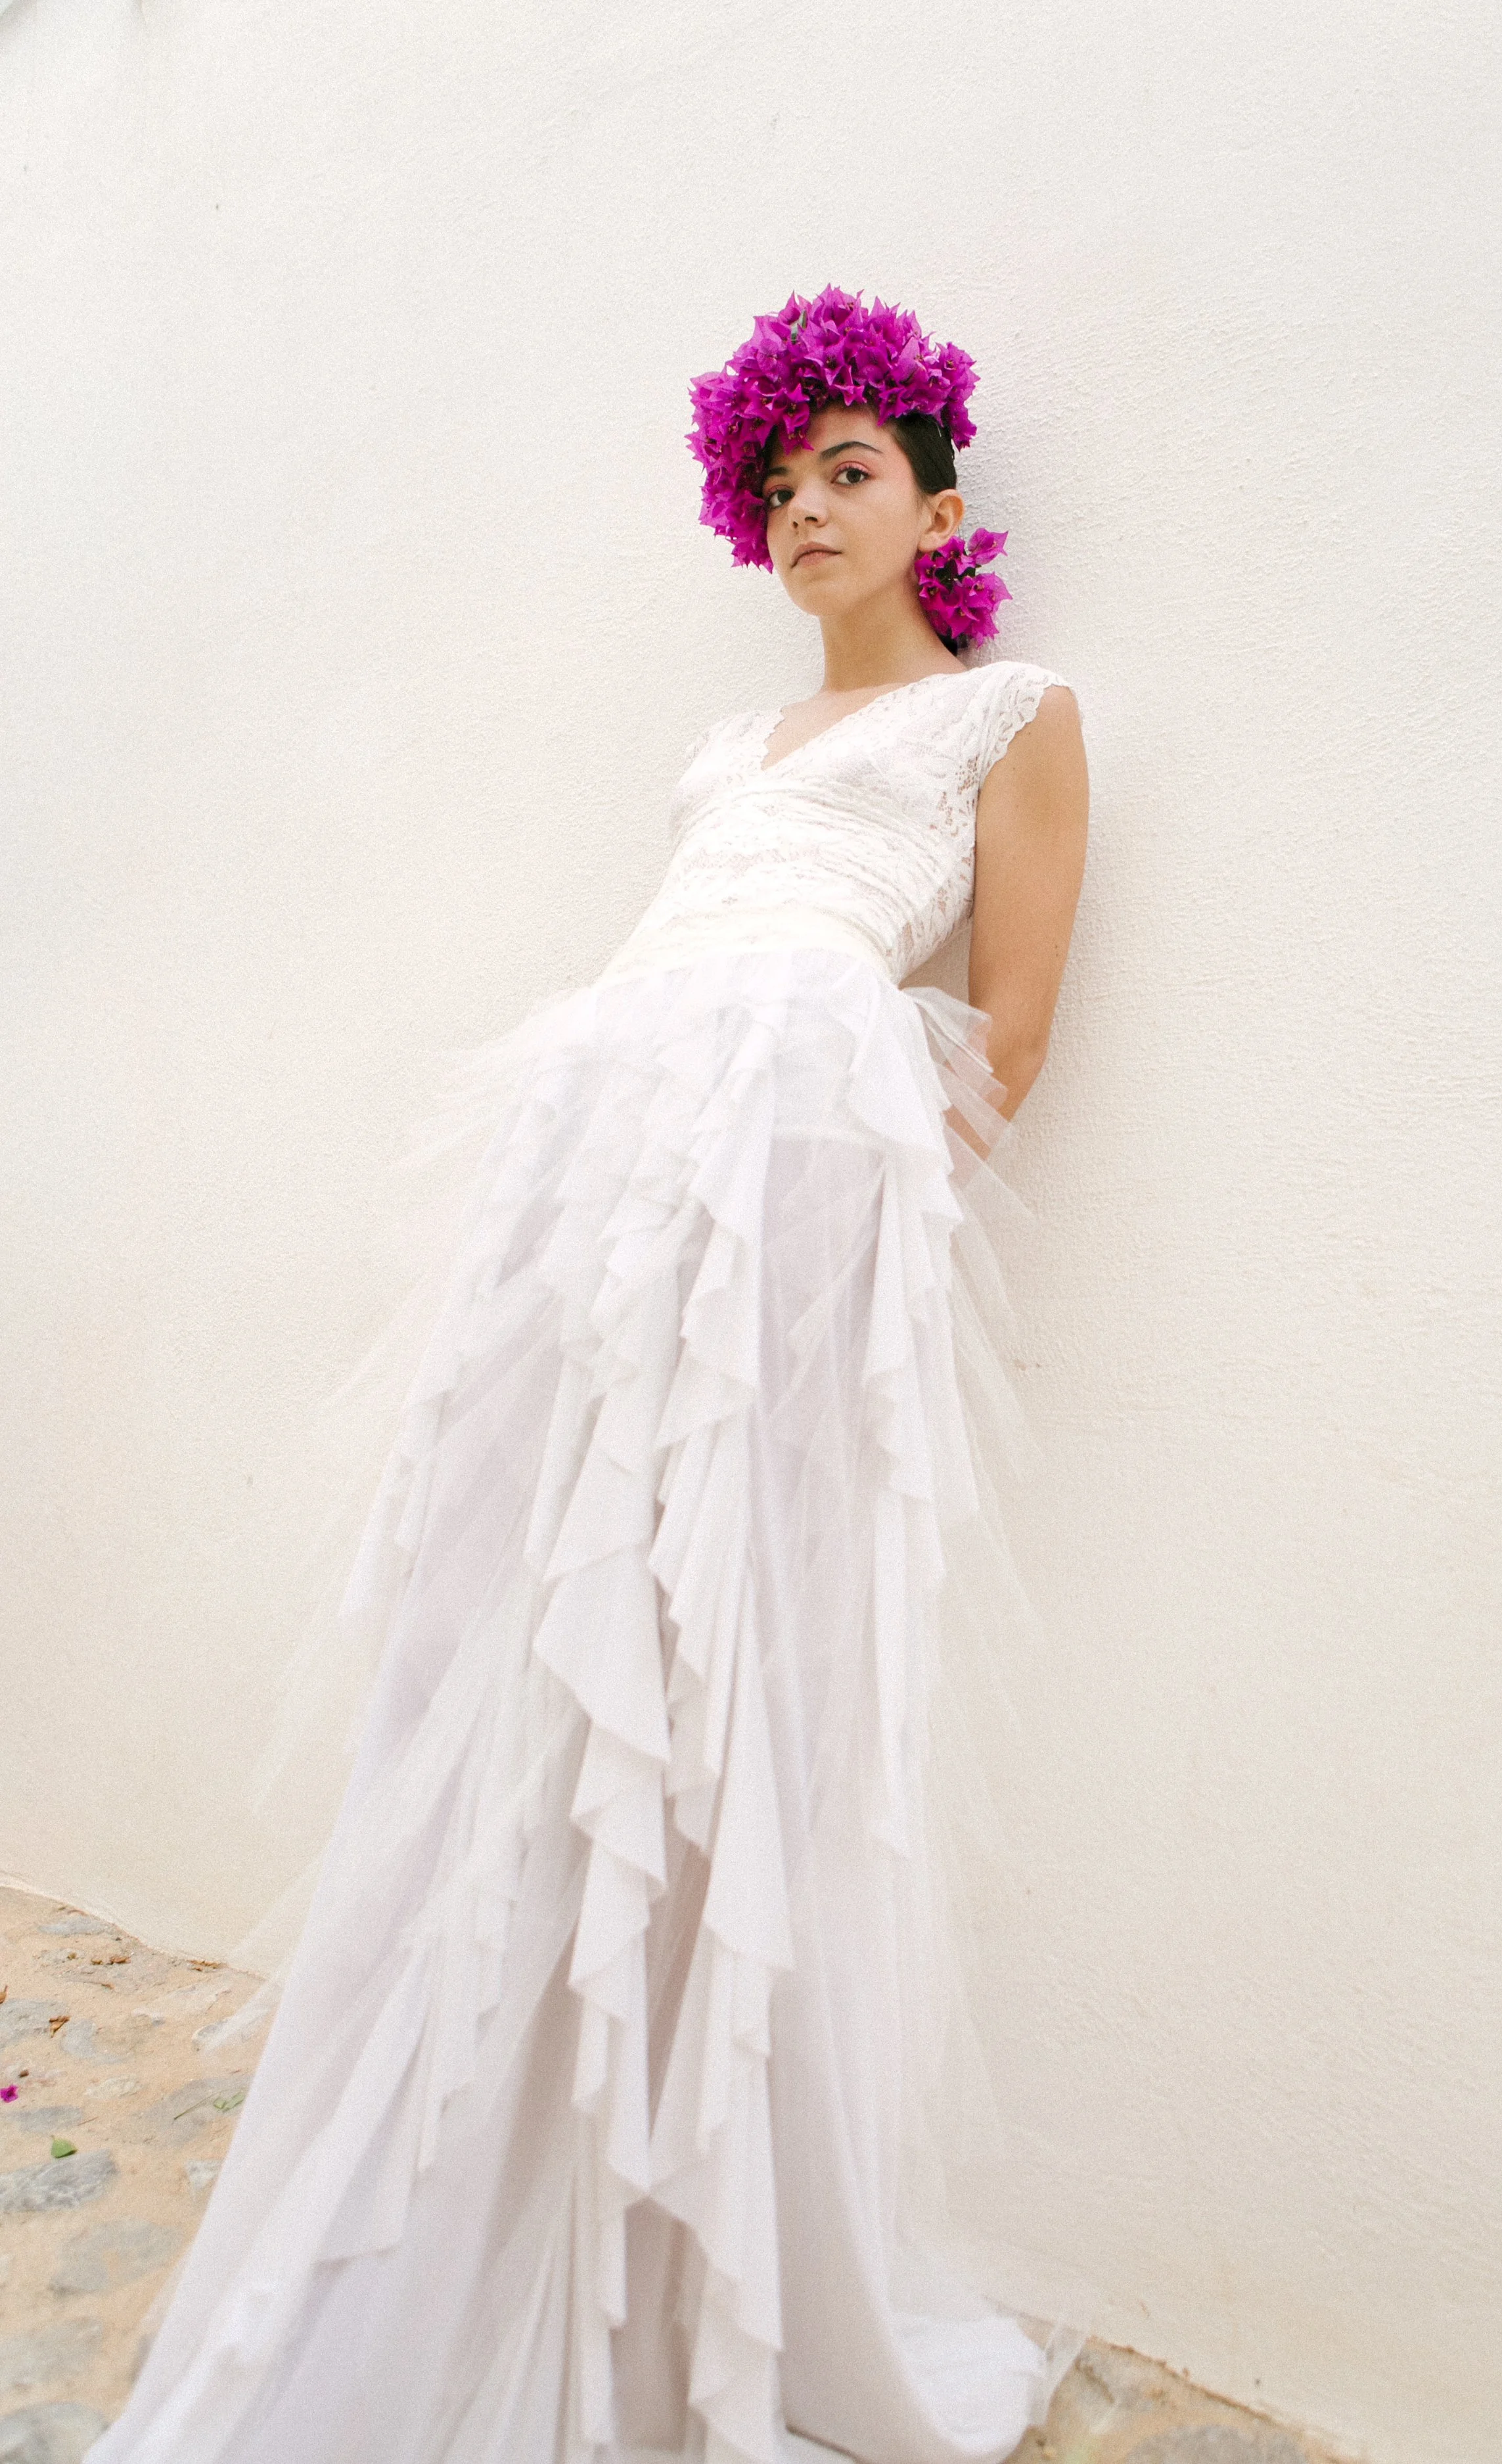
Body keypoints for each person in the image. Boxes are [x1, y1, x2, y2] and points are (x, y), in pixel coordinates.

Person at [87, 286, 1089, 2464]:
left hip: (788, 1183)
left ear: (934, 501)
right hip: (600, 1169)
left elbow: (1005, 1028)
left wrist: (836, 1231)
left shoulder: (1011, 712)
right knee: (512, 1628)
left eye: (852, 469)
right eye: (780, 477)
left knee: (728, 1650)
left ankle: (694, 2206)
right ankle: (457, 2143)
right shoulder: (720, 758)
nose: (808, 507)